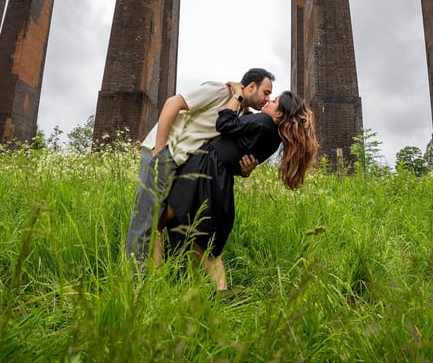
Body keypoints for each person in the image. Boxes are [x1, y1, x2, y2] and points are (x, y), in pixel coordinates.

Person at [158, 86, 318, 291]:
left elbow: (223, 123)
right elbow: (237, 160)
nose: (269, 101)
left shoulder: (264, 121)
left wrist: (237, 95)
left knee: (159, 221)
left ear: (279, 114)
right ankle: (219, 292)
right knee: (203, 243)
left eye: (275, 100)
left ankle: (156, 279)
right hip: (220, 182)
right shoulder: (273, 141)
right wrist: (245, 172)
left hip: (203, 169)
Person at [125, 68, 276, 265]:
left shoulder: (236, 111)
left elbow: (221, 153)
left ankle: (157, 283)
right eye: (266, 92)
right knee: (146, 220)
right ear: (251, 87)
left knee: (165, 223)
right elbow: (173, 103)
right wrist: (160, 149)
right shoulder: (220, 92)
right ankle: (135, 283)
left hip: (182, 162)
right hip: (165, 153)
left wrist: (245, 171)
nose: (268, 98)